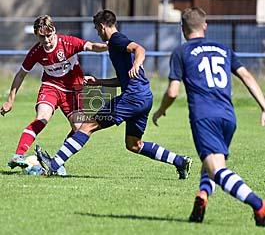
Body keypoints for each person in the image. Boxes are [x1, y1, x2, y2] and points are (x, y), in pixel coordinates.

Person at [36, 9, 192, 179]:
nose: (97, 33)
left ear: (102, 26)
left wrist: (136, 65)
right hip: (144, 97)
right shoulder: (114, 45)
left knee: (87, 125)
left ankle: (55, 163)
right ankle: (180, 161)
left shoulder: (116, 39)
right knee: (134, 144)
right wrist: (99, 82)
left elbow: (140, 49)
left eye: (96, 29)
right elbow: (122, 80)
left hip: (132, 98)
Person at [152, 7, 265, 226]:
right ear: (205, 25)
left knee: (217, 169)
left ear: (183, 29)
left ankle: (258, 204)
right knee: (211, 162)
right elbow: (247, 76)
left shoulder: (181, 52)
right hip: (228, 116)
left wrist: (161, 110)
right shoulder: (224, 49)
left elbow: (173, 92)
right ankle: (203, 194)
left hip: (204, 117)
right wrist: (263, 106)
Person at [1, 15, 108, 174]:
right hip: (51, 87)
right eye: (42, 37)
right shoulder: (36, 51)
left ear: (54, 31)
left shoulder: (68, 43)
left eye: (49, 35)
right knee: (42, 117)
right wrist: (10, 100)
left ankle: (57, 160)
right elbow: (20, 75)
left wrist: (109, 46)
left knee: (80, 128)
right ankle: (18, 155)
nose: (46, 40)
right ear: (37, 35)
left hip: (73, 90)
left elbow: (92, 46)